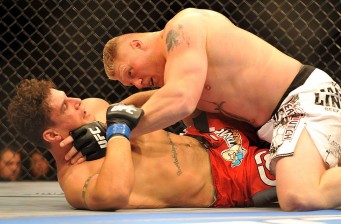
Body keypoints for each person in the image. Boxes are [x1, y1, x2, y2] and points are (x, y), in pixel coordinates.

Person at [98, 8, 341, 211]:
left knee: (299, 195)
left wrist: (119, 135)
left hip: (299, 96)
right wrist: (115, 115)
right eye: (129, 83)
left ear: (136, 44)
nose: (136, 82)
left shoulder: (183, 27)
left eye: (130, 72)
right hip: (273, 123)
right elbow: (165, 96)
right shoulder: (181, 71)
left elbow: (180, 99)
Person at [7, 78, 281, 210]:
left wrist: (109, 123)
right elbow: (114, 194)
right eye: (65, 106)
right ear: (52, 136)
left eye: (68, 96)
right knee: (310, 162)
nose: (77, 101)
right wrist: (116, 131)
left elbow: (139, 104)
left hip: (211, 135)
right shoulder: (77, 180)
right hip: (232, 178)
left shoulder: (91, 110)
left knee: (214, 86)